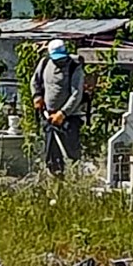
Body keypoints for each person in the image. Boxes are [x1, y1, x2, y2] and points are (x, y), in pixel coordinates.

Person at [30, 38, 85, 175]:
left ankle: (73, 178)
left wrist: (63, 113)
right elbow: (35, 81)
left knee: (70, 151)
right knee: (51, 152)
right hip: (49, 116)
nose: (59, 61)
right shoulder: (44, 63)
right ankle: (55, 177)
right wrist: (37, 96)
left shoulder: (74, 66)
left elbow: (76, 94)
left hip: (69, 117)